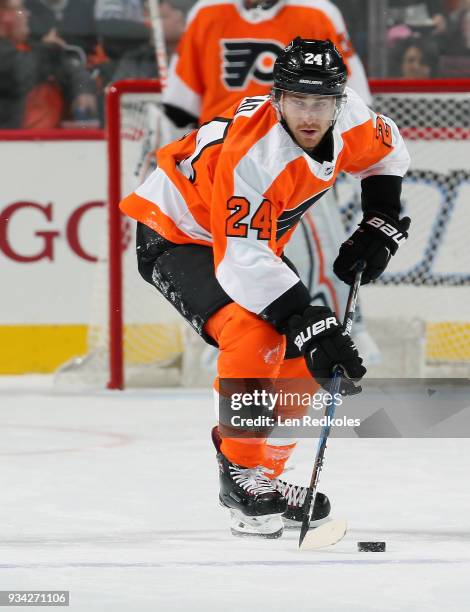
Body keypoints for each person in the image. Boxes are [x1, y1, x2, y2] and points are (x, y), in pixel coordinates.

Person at [120, 38, 411, 538]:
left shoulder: (352, 120)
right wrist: (311, 321)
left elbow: (389, 156)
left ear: (339, 101)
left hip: (246, 242)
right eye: (298, 100)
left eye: (321, 102)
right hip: (177, 233)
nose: (310, 114)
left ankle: (268, 481)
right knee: (256, 334)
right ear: (277, 98)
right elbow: (241, 262)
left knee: (300, 354)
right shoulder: (253, 152)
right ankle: (239, 474)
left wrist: (378, 221)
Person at [161, 0, 372, 129]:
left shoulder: (318, 13)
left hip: (295, 151)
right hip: (220, 149)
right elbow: (179, 110)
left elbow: (353, 100)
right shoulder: (206, 12)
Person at [0, 0, 97, 128]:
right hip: (11, 142)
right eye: (19, 10)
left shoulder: (32, 47)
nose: (27, 14)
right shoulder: (35, 54)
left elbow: (73, 70)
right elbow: (21, 74)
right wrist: (50, 48)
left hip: (48, 141)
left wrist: (83, 90)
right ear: (4, 16)